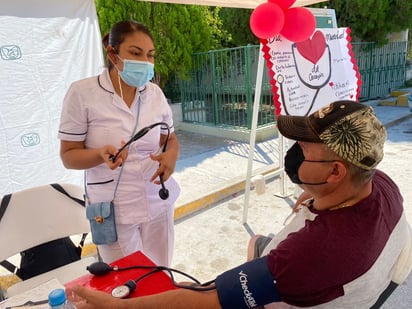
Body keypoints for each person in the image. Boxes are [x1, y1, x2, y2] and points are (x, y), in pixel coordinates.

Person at [66, 100, 412, 308]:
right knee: (253, 243)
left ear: (336, 172)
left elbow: (208, 303)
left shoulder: (312, 251)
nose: (294, 156)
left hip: (295, 284)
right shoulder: (381, 184)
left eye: (304, 151)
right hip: (344, 283)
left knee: (201, 290)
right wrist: (317, 191)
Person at [58, 20, 180, 266]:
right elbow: (68, 155)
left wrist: (171, 156)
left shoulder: (154, 93)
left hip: (157, 198)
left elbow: (171, 138)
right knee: (125, 280)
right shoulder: (83, 93)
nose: (145, 62)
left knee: (161, 272)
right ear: (113, 54)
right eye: (135, 53)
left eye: (150, 55)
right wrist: (99, 155)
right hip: (113, 209)